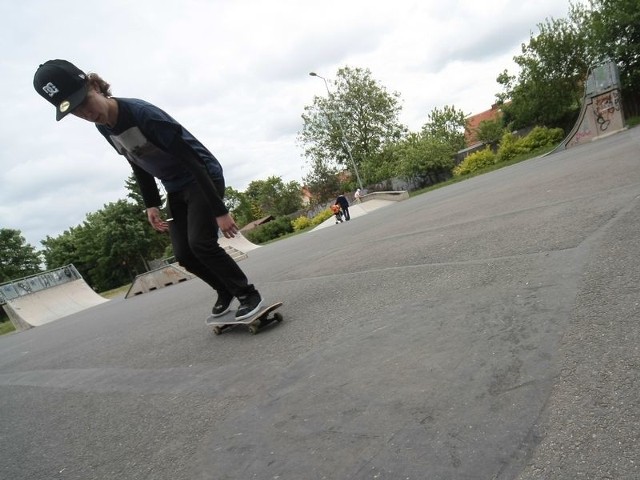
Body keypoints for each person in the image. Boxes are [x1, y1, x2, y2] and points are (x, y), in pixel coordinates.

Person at [33, 59, 263, 320]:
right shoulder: (104, 128)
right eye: (75, 111)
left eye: (84, 102)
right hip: (175, 187)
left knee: (201, 243)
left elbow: (192, 160)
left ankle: (248, 294)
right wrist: (151, 203)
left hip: (202, 177)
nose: (85, 113)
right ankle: (224, 289)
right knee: (184, 254)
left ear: (95, 86)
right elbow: (136, 161)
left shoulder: (143, 114)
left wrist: (220, 211)